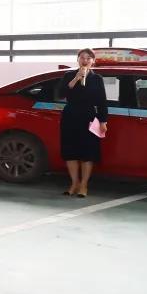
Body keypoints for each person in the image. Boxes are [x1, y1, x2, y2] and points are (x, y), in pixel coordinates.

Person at [59, 48, 108, 198]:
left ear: (93, 61)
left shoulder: (97, 78)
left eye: (88, 58)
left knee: (87, 152)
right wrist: (76, 78)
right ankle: (74, 183)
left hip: (89, 117)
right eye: (82, 57)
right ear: (78, 59)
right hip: (70, 116)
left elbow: (102, 101)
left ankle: (84, 185)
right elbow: (61, 94)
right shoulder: (68, 75)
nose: (85, 60)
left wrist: (103, 121)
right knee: (70, 152)